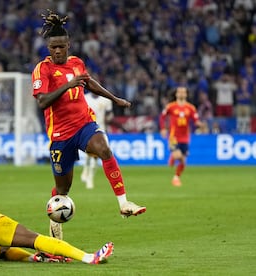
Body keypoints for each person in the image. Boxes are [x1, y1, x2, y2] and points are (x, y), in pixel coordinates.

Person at [31, 10, 146, 240]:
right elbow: (42, 101)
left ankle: (124, 203)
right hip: (61, 136)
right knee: (63, 190)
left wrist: (114, 99)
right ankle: (54, 226)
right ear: (48, 48)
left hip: (84, 124)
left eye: (61, 47)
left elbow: (89, 83)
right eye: (53, 47)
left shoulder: (76, 63)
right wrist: (69, 84)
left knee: (104, 148)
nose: (57, 51)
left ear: (68, 45)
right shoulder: (42, 69)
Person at [159, 87, 204, 187]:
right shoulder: (171, 106)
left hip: (185, 138)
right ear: (176, 94)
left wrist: (201, 125)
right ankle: (173, 156)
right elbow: (162, 117)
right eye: (179, 92)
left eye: (183, 92)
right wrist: (163, 128)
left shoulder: (191, 108)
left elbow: (196, 120)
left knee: (183, 161)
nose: (181, 94)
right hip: (173, 136)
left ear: (186, 94)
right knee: (178, 156)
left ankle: (176, 178)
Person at [80, 92, 113, 189]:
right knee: (88, 154)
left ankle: (90, 177)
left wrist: (109, 118)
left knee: (97, 155)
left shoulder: (106, 100)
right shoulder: (85, 98)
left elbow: (109, 113)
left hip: (100, 130)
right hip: (87, 129)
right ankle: (86, 169)